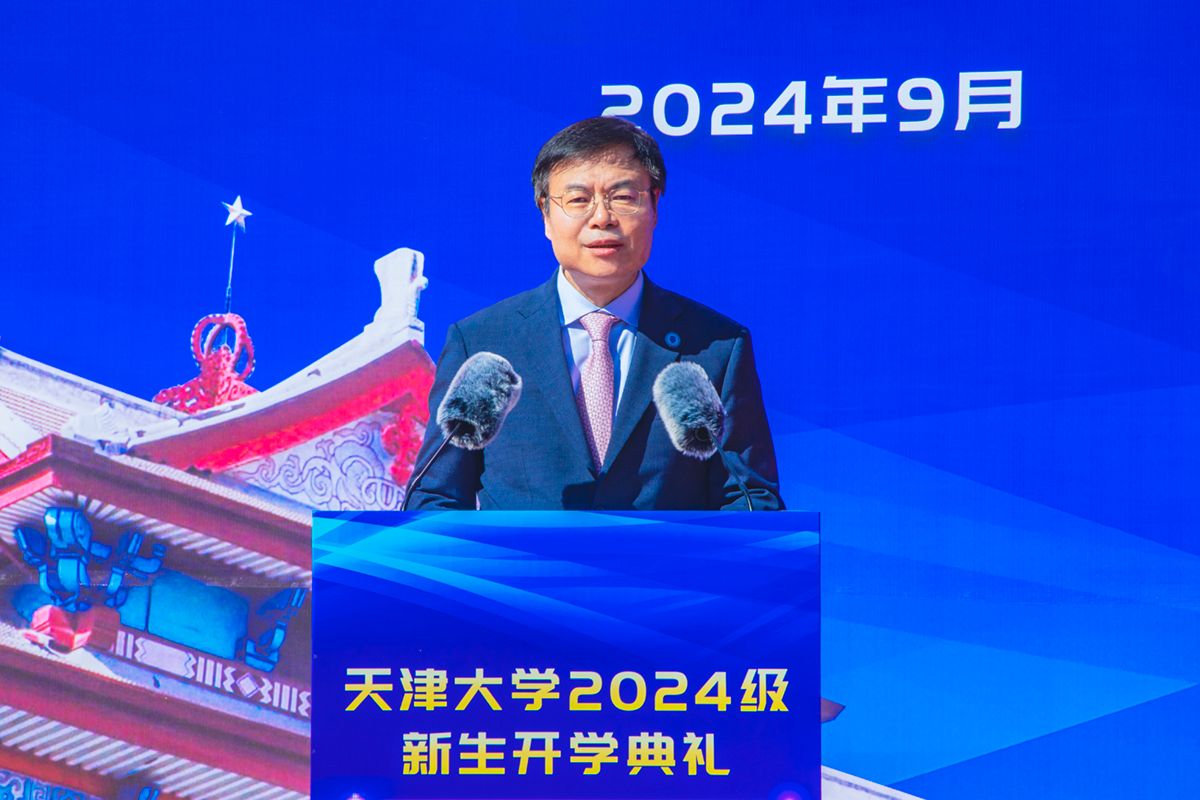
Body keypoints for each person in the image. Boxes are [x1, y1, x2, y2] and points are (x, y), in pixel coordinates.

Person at [405, 116, 783, 510]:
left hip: (664, 554)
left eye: (623, 197)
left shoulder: (715, 347)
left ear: (654, 206)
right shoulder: (483, 342)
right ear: (545, 214)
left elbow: (749, 498)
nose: (602, 218)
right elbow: (435, 496)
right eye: (578, 199)